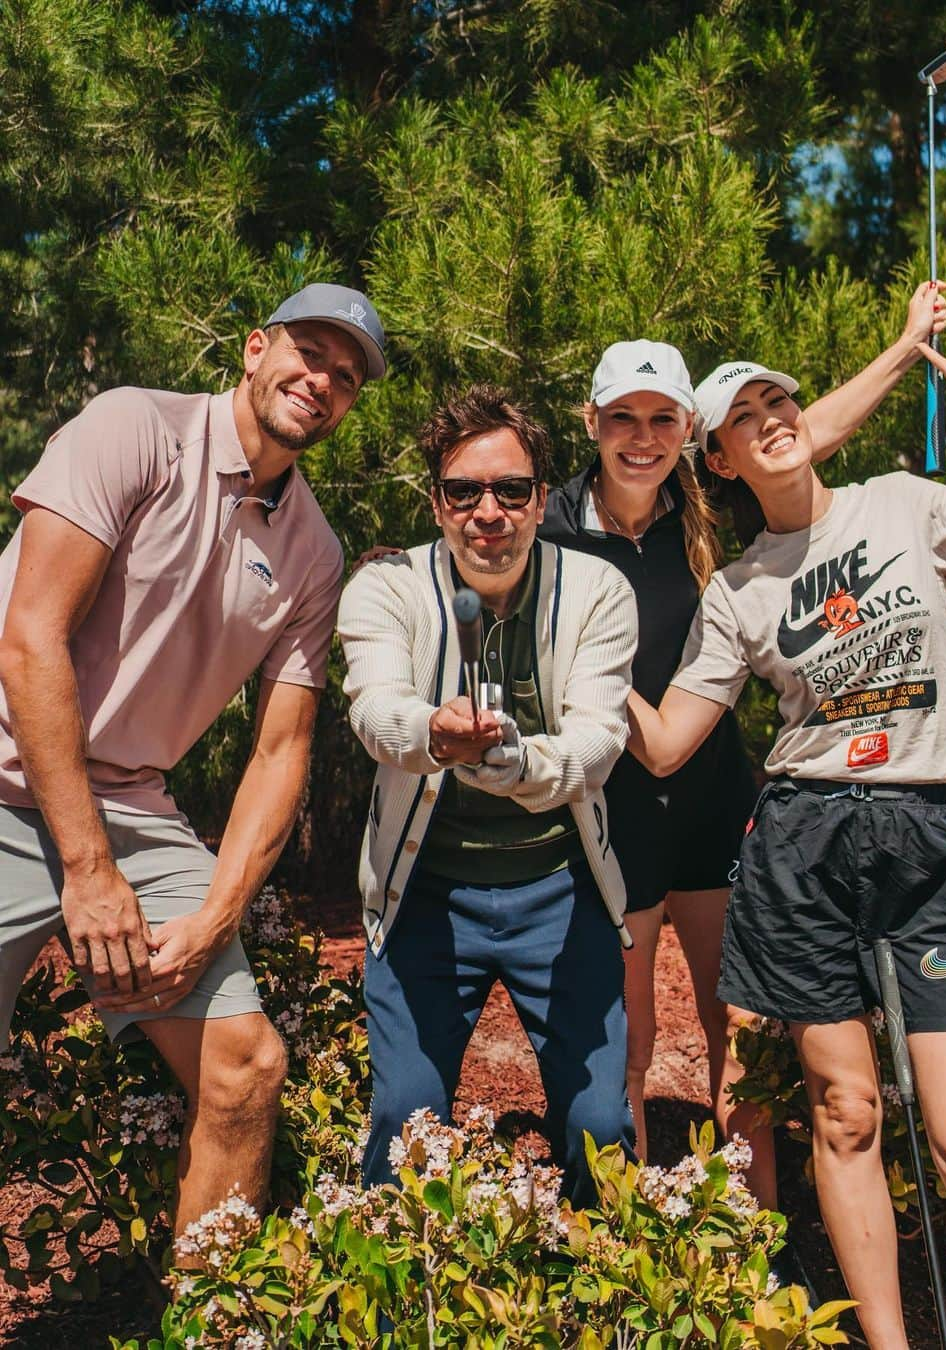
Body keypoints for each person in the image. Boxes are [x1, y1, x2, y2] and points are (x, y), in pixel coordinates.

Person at [627, 331, 946, 1347]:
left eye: (777, 400)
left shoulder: (903, 501)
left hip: (928, 840)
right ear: (722, 460)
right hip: (803, 846)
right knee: (847, 1117)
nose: (770, 419)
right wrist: (576, 656)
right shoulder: (737, 590)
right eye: (741, 418)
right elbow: (663, 746)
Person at [537, 281, 946, 1192]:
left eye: (663, 420)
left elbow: (814, 432)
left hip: (717, 805)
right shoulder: (549, 528)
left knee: (745, 1037)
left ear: (691, 432)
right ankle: (631, 1246)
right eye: (623, 419)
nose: (642, 438)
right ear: (593, 421)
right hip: (614, 813)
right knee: (631, 1042)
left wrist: (907, 345)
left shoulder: (704, 507)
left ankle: (754, 1240)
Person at [0, 282, 385, 1250]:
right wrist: (88, 873)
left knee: (246, 1069)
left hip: (129, 800)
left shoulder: (313, 555)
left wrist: (216, 918)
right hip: (4, 772)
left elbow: (281, 748)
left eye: (345, 377)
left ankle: (211, 1319)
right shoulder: (135, 431)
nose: (322, 381)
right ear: (255, 348)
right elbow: (29, 639)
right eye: (309, 352)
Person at [337, 383, 638, 1205]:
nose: (488, 512)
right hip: (426, 894)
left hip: (559, 890)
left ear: (544, 499)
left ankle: (602, 1309)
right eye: (463, 491)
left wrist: (515, 766)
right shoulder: (387, 588)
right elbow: (374, 706)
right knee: (405, 1120)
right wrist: (434, 733)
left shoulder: (598, 592)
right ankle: (398, 1319)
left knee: (601, 1130)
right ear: (436, 503)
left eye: (512, 490)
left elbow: (598, 739)